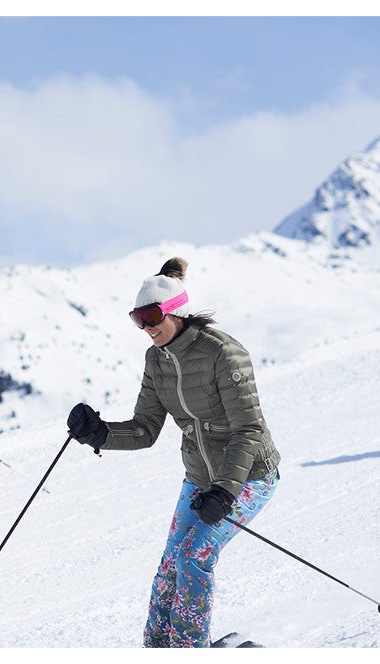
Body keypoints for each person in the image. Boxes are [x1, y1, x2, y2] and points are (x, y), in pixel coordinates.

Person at [66, 257, 281, 648]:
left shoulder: (223, 353)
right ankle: (157, 647)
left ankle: (189, 648)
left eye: (152, 317)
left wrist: (225, 491)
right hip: (201, 478)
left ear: (176, 311)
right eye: (138, 320)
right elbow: (144, 430)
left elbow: (248, 429)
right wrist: (97, 433)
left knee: (194, 555)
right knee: (169, 565)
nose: (147, 328)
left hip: (249, 476)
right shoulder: (157, 359)